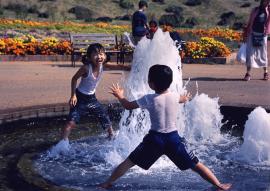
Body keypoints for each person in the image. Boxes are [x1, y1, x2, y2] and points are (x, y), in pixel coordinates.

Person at [100, 65, 231, 190]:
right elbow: (181, 99)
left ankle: (107, 183)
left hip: (154, 139)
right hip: (173, 139)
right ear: (170, 82)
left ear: (151, 84)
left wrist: (120, 96)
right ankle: (218, 184)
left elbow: (127, 106)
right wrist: (185, 98)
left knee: (129, 162)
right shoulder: (174, 96)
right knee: (195, 164)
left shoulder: (149, 98)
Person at [61, 43, 114, 142]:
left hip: (92, 98)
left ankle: (111, 136)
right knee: (71, 121)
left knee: (104, 116)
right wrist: (73, 96)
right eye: (95, 54)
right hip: (80, 98)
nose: (99, 57)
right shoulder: (86, 68)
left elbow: (120, 67)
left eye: (102, 54)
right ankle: (62, 143)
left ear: (105, 56)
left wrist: (131, 67)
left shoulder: (104, 66)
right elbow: (74, 79)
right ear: (89, 57)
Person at [243, 0, 270, 81]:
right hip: (252, 33)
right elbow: (250, 21)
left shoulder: (269, 10)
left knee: (263, 54)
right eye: (266, 1)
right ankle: (248, 74)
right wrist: (246, 33)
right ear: (262, 1)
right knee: (250, 54)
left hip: (263, 35)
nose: (268, 2)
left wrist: (267, 32)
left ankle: (266, 73)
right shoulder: (255, 10)